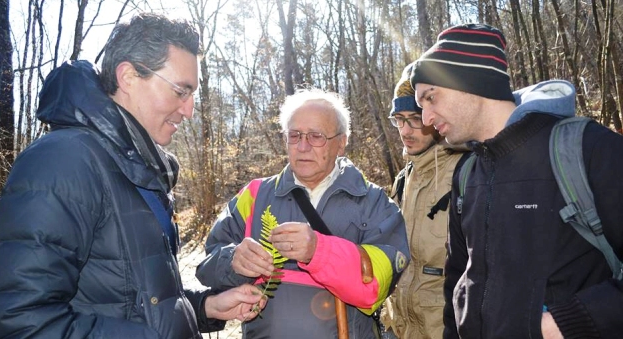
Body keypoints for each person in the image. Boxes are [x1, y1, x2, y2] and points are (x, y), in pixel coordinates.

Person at [0, 13, 265, 339]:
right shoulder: (64, 162)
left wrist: (206, 307)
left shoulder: (135, 168)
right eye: (180, 91)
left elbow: (138, 300)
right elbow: (19, 322)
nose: (189, 110)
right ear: (129, 77)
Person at [411, 23, 623, 338]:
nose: (426, 118)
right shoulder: (466, 174)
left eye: (431, 97)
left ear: (471, 82)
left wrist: (566, 323)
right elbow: (457, 280)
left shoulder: (587, 148)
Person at [196, 88, 410, 338]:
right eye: (295, 135)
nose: (303, 146)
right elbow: (206, 267)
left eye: (316, 136)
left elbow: (378, 284)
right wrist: (233, 261)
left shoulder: (374, 202)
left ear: (341, 142)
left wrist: (319, 252)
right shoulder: (254, 195)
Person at [380, 62, 465, 339]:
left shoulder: (466, 172)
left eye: (414, 119)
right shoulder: (404, 178)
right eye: (399, 119)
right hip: (399, 327)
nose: (405, 131)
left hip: (445, 329)